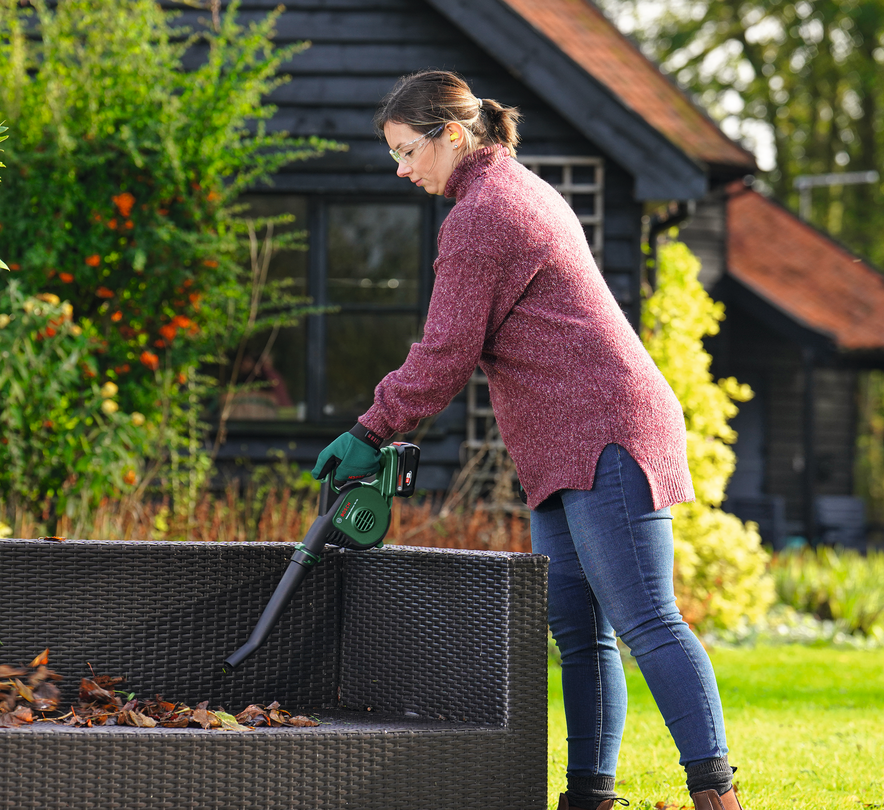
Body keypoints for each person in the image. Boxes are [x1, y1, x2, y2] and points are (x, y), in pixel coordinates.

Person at [311, 69, 745, 810]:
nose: (401, 168)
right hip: (563, 444)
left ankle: (718, 797)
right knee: (580, 631)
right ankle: (588, 797)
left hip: (606, 431)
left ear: (452, 135)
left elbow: (446, 354)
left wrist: (369, 428)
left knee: (645, 618)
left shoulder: (483, 215)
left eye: (406, 150)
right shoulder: (513, 189)